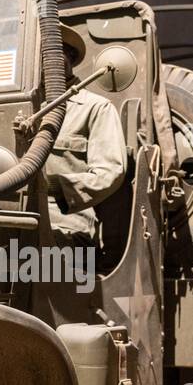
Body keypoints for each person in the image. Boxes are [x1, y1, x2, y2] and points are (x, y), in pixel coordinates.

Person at [46, 25, 127, 244]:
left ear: (68, 59)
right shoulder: (22, 106)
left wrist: (56, 187)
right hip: (12, 217)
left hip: (67, 226)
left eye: (53, 52)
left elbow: (110, 171)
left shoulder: (94, 108)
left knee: (33, 259)